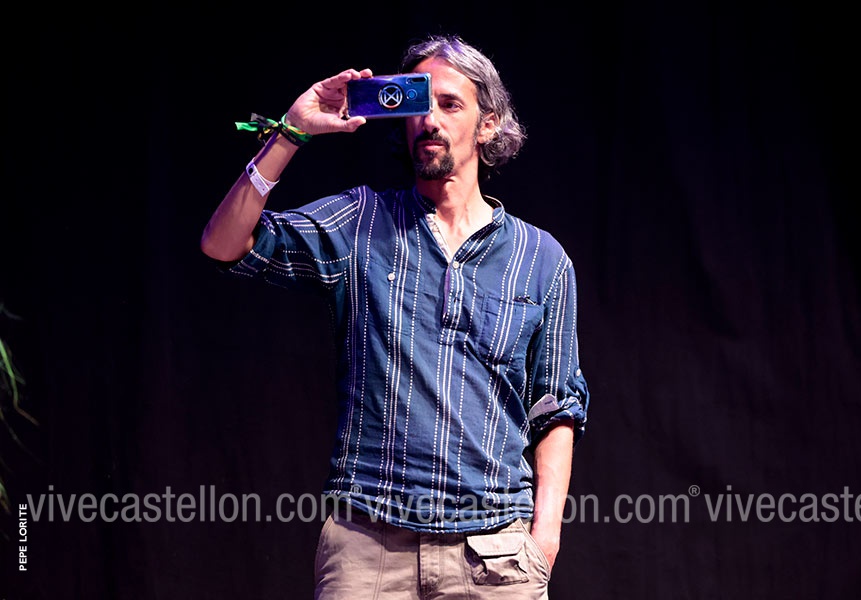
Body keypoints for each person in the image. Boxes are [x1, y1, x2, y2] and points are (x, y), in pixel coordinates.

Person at [201, 34, 590, 599]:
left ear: (488, 124)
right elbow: (224, 245)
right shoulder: (362, 222)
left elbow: (555, 407)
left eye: (450, 104)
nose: (429, 120)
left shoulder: (541, 259)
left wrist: (544, 540)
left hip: (494, 556)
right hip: (368, 550)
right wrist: (291, 132)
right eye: (417, 104)